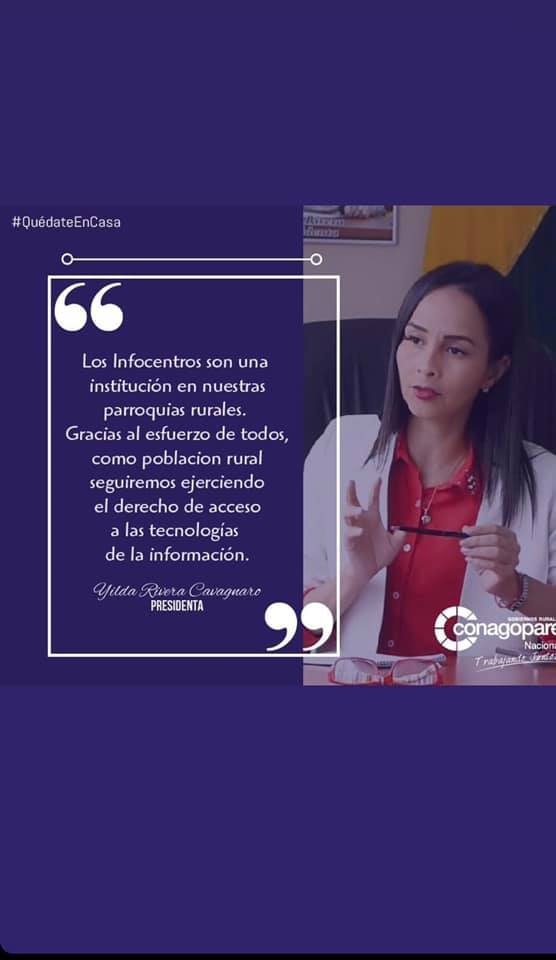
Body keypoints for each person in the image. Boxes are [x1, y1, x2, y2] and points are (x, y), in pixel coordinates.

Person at [303, 261, 556, 661]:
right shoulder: (340, 446)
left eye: (455, 350)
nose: (426, 365)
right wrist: (354, 575)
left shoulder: (545, 480)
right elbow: (287, 630)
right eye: (415, 339)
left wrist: (514, 588)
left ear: (493, 371)